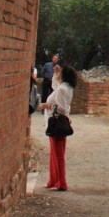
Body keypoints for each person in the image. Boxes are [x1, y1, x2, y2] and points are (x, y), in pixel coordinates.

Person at [40, 63, 77, 191]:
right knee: (55, 153)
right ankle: (54, 180)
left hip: (57, 122)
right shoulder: (66, 87)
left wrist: (47, 106)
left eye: (60, 72)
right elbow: (55, 86)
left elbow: (61, 108)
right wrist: (56, 74)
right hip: (56, 122)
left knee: (58, 154)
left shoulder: (62, 89)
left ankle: (61, 183)